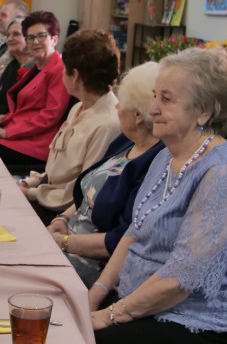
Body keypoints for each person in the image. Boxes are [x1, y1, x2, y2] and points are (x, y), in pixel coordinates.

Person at [88, 49, 227, 344]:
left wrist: (107, 316)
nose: (152, 108)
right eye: (156, 96)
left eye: (166, 99)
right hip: (150, 302)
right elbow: (133, 234)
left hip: (204, 323)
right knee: (61, 315)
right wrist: (93, 294)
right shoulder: (167, 155)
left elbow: (181, 280)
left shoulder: (223, 173)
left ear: (203, 111)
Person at [46, 61, 163, 286]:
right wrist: (62, 218)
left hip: (92, 264)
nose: (116, 107)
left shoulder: (154, 161)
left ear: (138, 114)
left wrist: (64, 242)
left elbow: (120, 239)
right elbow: (90, 188)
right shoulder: (126, 141)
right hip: (68, 238)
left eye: (122, 102)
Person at [20, 29, 122, 223]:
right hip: (46, 196)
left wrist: (32, 193)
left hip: (63, 213)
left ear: (75, 75)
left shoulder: (108, 124)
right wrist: (28, 183)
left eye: (63, 68)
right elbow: (55, 170)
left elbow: (84, 190)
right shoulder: (78, 107)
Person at [0, 11, 71, 172]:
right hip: (23, 135)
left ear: (55, 39)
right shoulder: (36, 68)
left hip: (38, 143)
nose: (35, 42)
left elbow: (49, 116)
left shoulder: (59, 69)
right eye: (30, 37)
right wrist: (2, 120)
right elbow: (27, 110)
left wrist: (8, 132)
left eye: (41, 36)